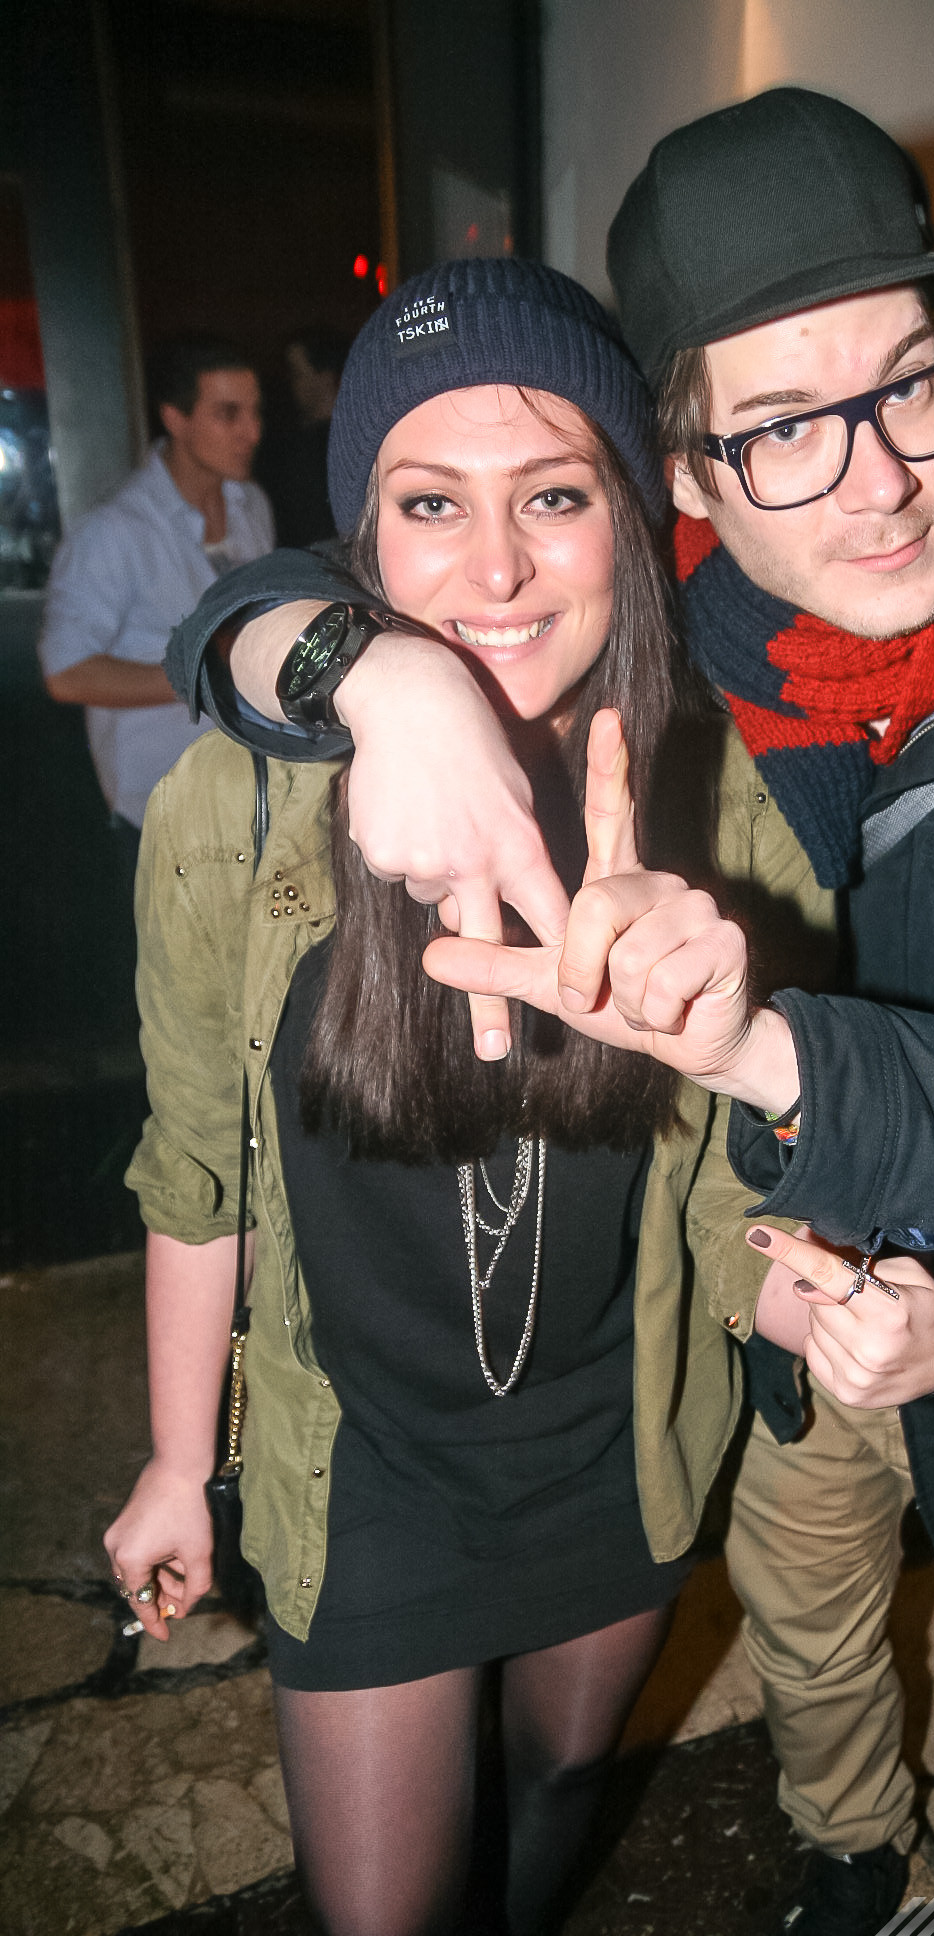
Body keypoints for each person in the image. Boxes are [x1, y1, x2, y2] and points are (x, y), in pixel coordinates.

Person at [164, 90, 934, 1931]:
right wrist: (375, 672)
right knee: (814, 1665)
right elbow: (320, 578)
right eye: (783, 427)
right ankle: (849, 1863)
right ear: (680, 476)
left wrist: (761, 1049)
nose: (879, 480)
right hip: (766, 1320)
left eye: (910, 385)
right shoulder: (672, 655)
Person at [103, 259, 796, 1936]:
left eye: (554, 496)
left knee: (558, 1791)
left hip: (615, 1444)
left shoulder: (725, 798)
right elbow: (196, 1176)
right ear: (365, 536)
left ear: (626, 520)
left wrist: (837, 1288)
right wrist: (179, 1464)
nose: (495, 567)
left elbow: (746, 1172)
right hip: (367, 1474)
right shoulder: (226, 815)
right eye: (431, 504)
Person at [39, 336, 272, 865]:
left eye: (255, 411)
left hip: (254, 795)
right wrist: (207, 675)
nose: (253, 432)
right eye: (229, 414)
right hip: (163, 814)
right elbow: (66, 674)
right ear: (175, 418)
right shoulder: (113, 531)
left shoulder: (250, 505)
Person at [258, 325, 350, 548]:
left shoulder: (301, 451)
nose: (290, 382)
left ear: (325, 377)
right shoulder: (289, 443)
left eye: (297, 373)